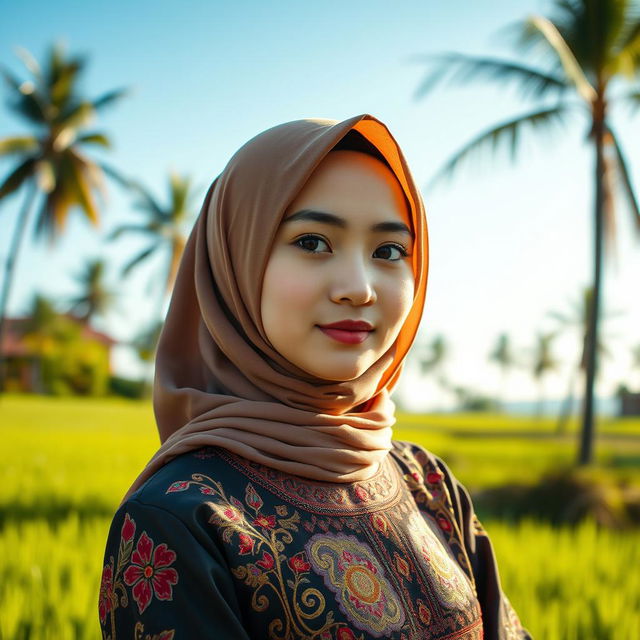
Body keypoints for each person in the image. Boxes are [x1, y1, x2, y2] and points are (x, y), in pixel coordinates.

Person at [98, 114, 532, 640]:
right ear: (235, 259)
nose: (358, 287)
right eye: (312, 242)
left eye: (389, 251)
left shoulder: (428, 481)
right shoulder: (181, 520)